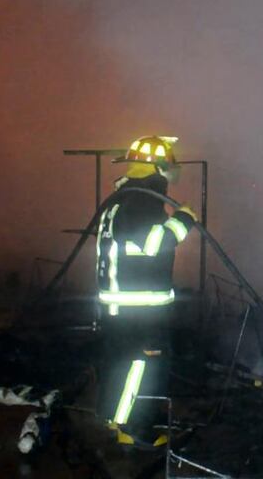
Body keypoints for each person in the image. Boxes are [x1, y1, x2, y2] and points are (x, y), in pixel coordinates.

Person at [95, 135, 197, 447]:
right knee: (140, 367)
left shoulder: (124, 198)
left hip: (122, 305)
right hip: (139, 309)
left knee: (121, 364)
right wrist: (184, 221)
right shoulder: (143, 201)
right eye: (169, 167)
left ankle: (115, 418)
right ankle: (133, 429)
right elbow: (154, 244)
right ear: (158, 167)